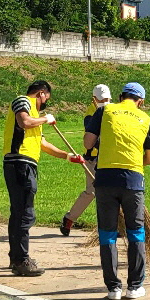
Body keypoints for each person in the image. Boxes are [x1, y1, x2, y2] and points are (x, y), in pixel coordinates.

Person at [84, 82, 150, 300]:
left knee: (107, 234)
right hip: (133, 180)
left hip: (105, 178)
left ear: (120, 96)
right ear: (141, 101)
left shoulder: (104, 110)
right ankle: (134, 286)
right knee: (136, 232)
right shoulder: (146, 119)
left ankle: (112, 288)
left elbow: (88, 142)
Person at [3, 80, 83, 276]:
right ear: (41, 93)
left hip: (23, 164)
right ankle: (22, 260)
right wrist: (45, 119)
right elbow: (24, 122)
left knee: (19, 212)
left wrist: (67, 156)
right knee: (25, 214)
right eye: (46, 97)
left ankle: (16, 258)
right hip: (20, 163)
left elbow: (42, 143)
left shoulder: (34, 115)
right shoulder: (23, 102)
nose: (45, 102)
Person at [60, 84, 111, 236]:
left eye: (107, 99)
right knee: (91, 192)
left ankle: (115, 226)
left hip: (109, 157)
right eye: (101, 100)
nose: (104, 102)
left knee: (113, 191)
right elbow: (91, 137)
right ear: (94, 99)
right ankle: (69, 220)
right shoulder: (91, 114)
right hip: (93, 158)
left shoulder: (112, 110)